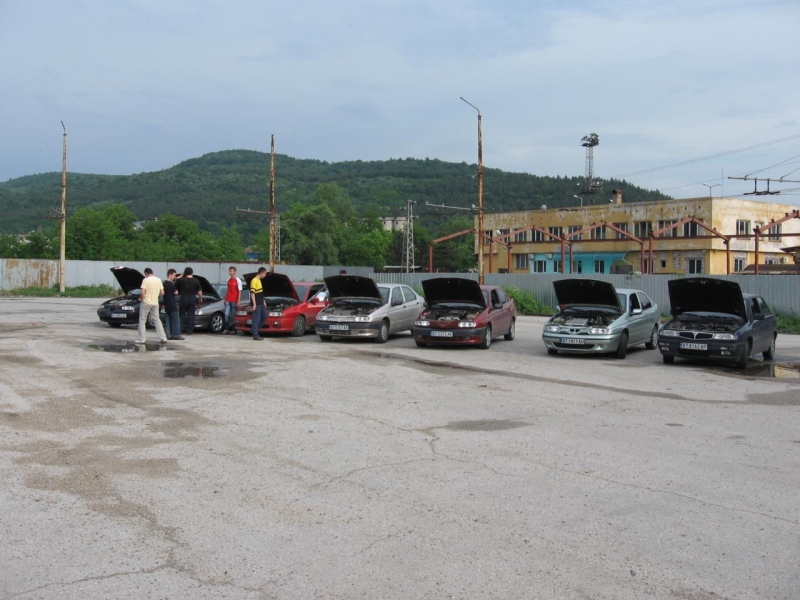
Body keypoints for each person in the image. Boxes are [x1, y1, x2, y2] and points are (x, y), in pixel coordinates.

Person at [136, 268, 168, 345]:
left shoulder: (145, 280)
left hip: (146, 302)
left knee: (142, 320)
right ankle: (163, 337)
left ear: (146, 273)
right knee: (157, 320)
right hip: (155, 302)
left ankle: (142, 339)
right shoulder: (158, 280)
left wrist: (141, 299)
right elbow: (162, 293)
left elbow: (142, 292)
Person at [176, 267, 202, 335]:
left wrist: (182, 275)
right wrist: (200, 298)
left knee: (181, 315)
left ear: (185, 273)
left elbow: (175, 279)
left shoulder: (182, 280)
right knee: (191, 315)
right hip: (192, 299)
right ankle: (190, 331)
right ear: (192, 273)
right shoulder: (196, 281)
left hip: (184, 299)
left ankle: (180, 329)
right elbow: (199, 291)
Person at [163, 269, 183, 340]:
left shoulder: (164, 283)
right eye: (174, 275)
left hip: (166, 303)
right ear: (170, 274)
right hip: (172, 303)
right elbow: (176, 292)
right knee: (176, 320)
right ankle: (176, 335)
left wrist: (178, 277)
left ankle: (168, 334)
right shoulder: (171, 284)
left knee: (168, 319)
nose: (174, 277)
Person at [222, 266, 242, 334]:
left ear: (234, 272)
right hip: (228, 299)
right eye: (229, 271)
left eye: (231, 271)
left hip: (234, 300)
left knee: (233, 315)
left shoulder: (238, 280)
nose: (230, 272)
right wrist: (225, 299)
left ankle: (233, 329)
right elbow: (228, 289)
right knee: (226, 314)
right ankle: (226, 328)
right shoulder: (228, 280)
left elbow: (240, 291)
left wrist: (238, 301)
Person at [250, 267, 267, 341]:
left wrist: (263, 301)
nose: (265, 275)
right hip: (257, 303)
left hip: (261, 302)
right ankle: (255, 335)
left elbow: (260, 293)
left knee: (264, 316)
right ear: (261, 273)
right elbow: (252, 293)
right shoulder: (254, 281)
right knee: (256, 319)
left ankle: (254, 330)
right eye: (265, 274)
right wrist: (254, 304)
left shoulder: (259, 280)